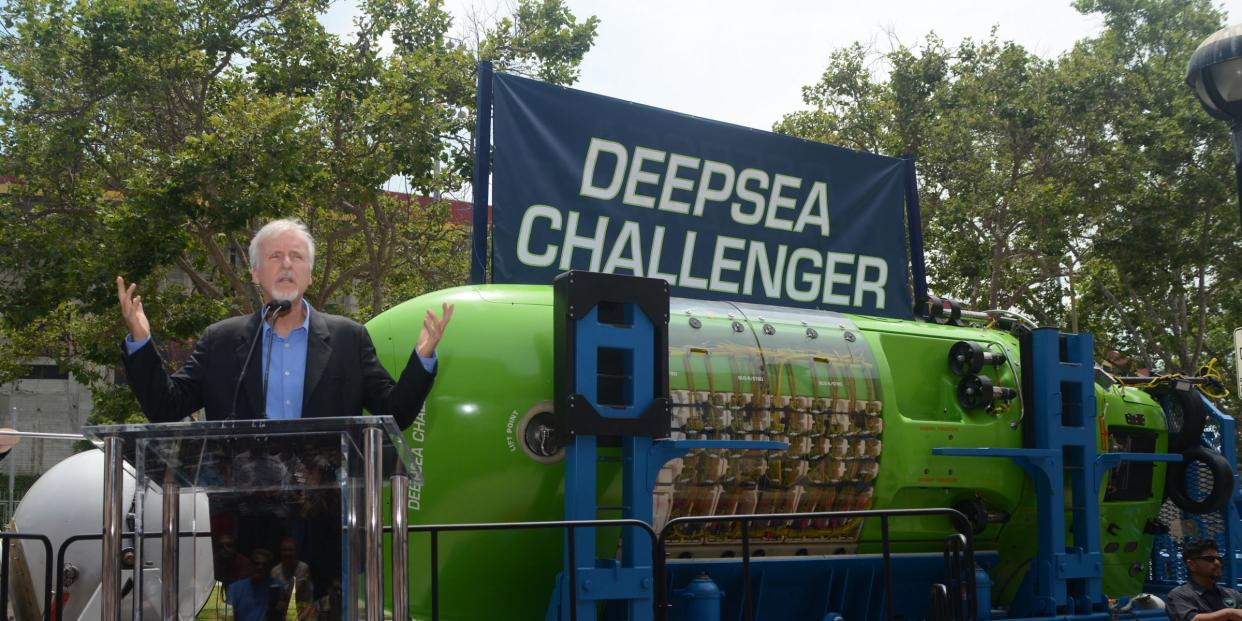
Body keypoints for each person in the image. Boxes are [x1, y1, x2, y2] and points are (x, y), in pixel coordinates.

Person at [116, 217, 453, 427]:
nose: (287, 265)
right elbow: (165, 407)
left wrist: (421, 358)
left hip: (323, 511)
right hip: (241, 516)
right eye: (275, 257)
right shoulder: (221, 340)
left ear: (309, 274)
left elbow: (395, 414)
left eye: (297, 257)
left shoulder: (349, 339)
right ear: (255, 273)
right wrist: (141, 342)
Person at [1166, 539, 1242, 621]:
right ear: (1191, 564)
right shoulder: (1179, 595)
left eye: (1219, 559)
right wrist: (1229, 613)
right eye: (1210, 559)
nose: (1217, 563)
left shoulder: (1232, 594)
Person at [226, 549, 284, 621]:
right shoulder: (235, 589)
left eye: (264, 565)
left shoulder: (276, 587)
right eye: (257, 563)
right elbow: (227, 617)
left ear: (269, 568)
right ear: (250, 564)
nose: (260, 567)